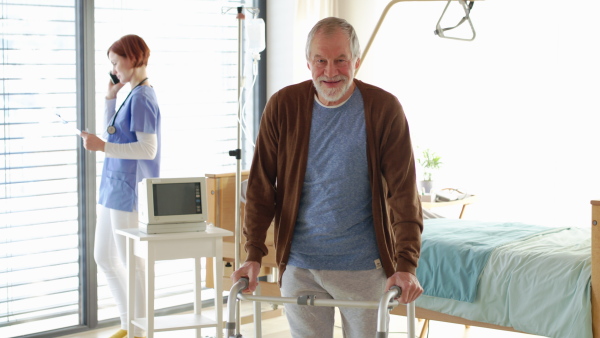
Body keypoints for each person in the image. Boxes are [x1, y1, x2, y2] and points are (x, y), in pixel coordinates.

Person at [231, 17, 423, 337]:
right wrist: (253, 255)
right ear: (308, 63)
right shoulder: (283, 106)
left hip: (364, 269)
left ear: (356, 62)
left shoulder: (383, 109)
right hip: (300, 267)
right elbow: (261, 187)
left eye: (341, 60)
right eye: (321, 60)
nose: (330, 71)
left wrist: (406, 265)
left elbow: (403, 194)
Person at [81, 34, 160, 338]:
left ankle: (140, 331)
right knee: (104, 256)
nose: (113, 68)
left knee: (132, 262)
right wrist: (109, 97)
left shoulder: (143, 96)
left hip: (128, 187)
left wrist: (102, 146)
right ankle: (129, 324)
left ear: (133, 57)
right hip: (113, 184)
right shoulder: (129, 94)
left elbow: (147, 149)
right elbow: (111, 134)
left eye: (115, 61)